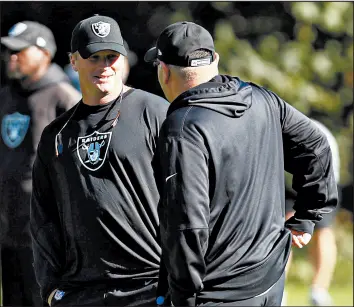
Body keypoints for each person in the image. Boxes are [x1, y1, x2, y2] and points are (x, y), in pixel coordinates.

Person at [144, 21, 338, 306]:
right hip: (269, 280)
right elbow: (317, 146)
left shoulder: (182, 126)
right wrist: (308, 216)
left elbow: (187, 223)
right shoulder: (262, 99)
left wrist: (183, 294)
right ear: (215, 60)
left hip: (217, 292)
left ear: (163, 70)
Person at [30, 14, 168, 306]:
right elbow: (43, 217)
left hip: (150, 284)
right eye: (93, 57)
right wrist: (51, 289)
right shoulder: (57, 134)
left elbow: (193, 195)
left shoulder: (155, 113)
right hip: (82, 292)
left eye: (111, 56)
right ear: (73, 61)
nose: (104, 66)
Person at [0, 20, 81, 306]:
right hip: (9, 232)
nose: (11, 57)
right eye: (8, 51)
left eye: (19, 51)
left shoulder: (65, 99)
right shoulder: (8, 96)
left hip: (46, 239)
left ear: (44, 53)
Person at [283, 118, 341, 306]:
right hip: (288, 182)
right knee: (283, 231)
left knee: (322, 231)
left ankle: (319, 291)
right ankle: (279, 288)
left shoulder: (316, 132)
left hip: (324, 178)